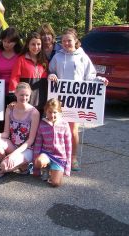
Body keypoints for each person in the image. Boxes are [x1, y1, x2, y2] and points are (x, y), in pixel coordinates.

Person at [48, 28, 108, 171]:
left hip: (76, 100)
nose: (66, 43)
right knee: (57, 128)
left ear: (76, 41)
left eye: (69, 40)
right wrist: (51, 75)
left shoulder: (83, 56)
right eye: (63, 41)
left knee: (73, 129)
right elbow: (51, 71)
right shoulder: (57, 56)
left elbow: (90, 76)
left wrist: (100, 79)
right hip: (59, 99)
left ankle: (73, 157)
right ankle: (58, 155)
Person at [0, 82, 40, 178]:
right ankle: (18, 165)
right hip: (13, 144)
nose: (24, 98)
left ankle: (21, 166)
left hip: (27, 148)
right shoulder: (10, 109)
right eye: (21, 95)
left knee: (4, 166)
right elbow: (6, 133)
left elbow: (30, 141)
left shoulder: (34, 113)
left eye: (27, 95)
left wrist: (13, 154)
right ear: (16, 94)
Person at [33, 98, 72, 187]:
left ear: (59, 112)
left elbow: (68, 146)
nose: (52, 115)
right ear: (45, 111)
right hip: (46, 154)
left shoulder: (65, 124)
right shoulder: (42, 124)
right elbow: (38, 144)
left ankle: (53, 170)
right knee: (39, 161)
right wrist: (36, 167)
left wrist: (68, 167)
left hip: (59, 158)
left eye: (55, 112)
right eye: (49, 112)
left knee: (55, 183)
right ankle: (45, 168)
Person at [9, 32, 48, 113]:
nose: (36, 47)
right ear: (27, 45)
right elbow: (14, 79)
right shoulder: (21, 60)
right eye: (33, 44)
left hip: (42, 102)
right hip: (25, 101)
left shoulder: (44, 61)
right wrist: (14, 98)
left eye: (38, 44)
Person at [0, 27, 22, 133]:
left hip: (16, 94)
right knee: (0, 121)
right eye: (4, 41)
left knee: (16, 122)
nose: (6, 44)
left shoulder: (21, 55)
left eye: (10, 42)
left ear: (16, 42)